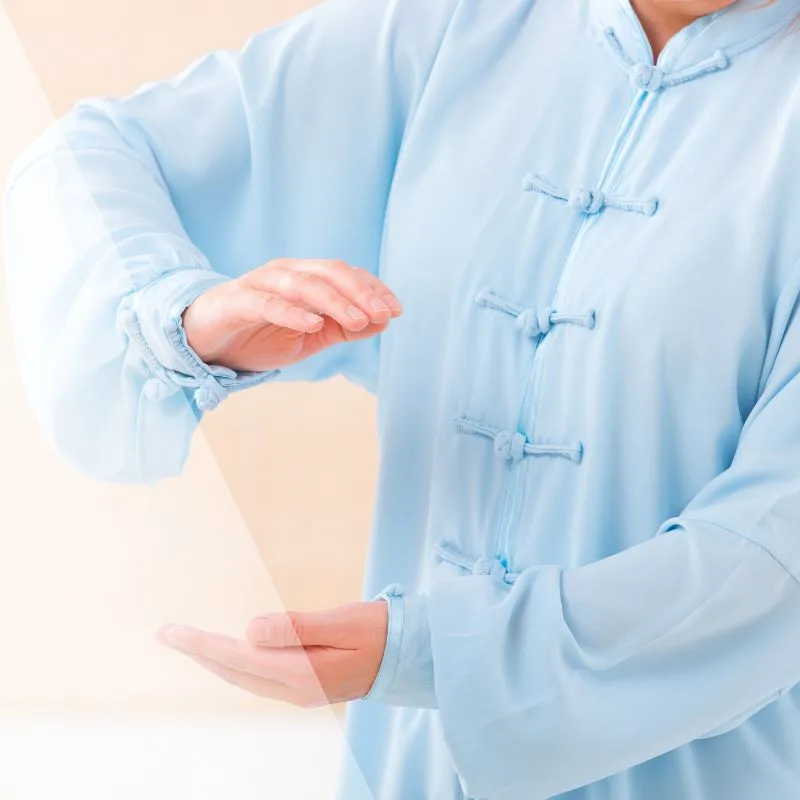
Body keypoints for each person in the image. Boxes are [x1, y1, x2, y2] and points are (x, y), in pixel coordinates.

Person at [4, 0, 800, 797]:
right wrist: (180, 316)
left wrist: (437, 650)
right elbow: (83, 160)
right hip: (407, 767)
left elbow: (770, 555)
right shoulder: (451, 29)